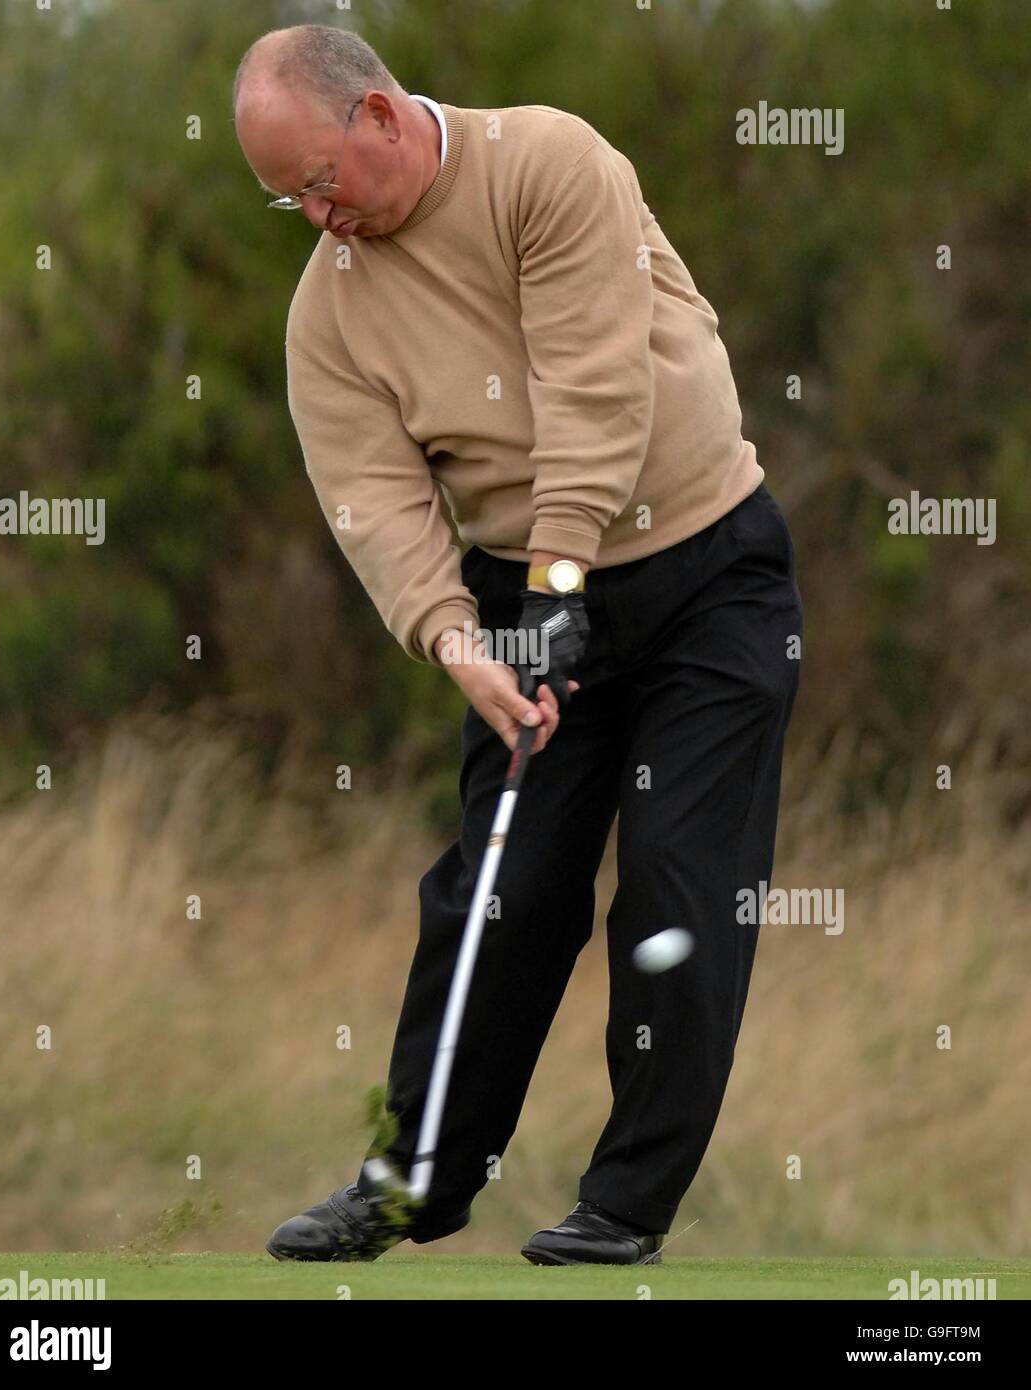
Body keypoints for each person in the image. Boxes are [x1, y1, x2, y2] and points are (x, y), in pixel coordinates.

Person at [233, 23, 802, 1266]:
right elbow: (374, 505)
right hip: (518, 596)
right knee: (499, 892)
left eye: (320, 182)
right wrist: (457, 641)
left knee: (679, 884)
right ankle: (408, 1185)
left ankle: (625, 1205)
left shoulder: (548, 161)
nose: (317, 217)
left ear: (379, 118)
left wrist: (558, 575)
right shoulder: (327, 320)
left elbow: (593, 378)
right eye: (290, 201)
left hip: (711, 571)